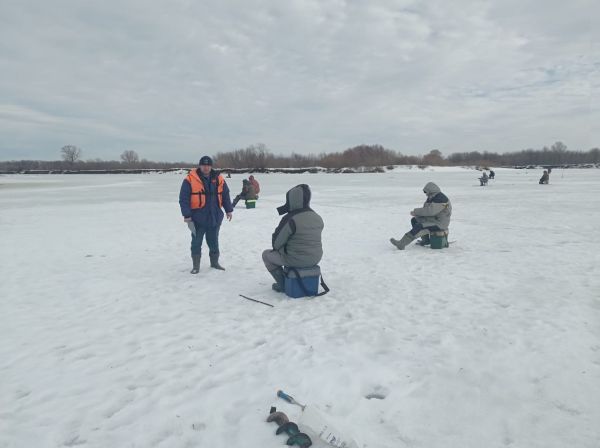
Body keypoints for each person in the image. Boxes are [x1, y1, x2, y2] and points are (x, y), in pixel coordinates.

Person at [262, 184, 324, 292]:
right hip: (315, 258)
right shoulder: (317, 217)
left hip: (295, 259)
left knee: (266, 255)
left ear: (292, 200)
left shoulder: (291, 218)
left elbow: (276, 244)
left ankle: (283, 285)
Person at [179, 156, 233, 273]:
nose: (206, 167)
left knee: (213, 241)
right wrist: (187, 215)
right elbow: (183, 199)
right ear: (200, 166)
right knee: (196, 242)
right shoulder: (189, 179)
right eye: (204, 165)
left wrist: (229, 209)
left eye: (208, 165)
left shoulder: (219, 178)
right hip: (197, 218)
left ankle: (214, 263)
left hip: (214, 217)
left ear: (211, 166)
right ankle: (196, 266)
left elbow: (225, 195)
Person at [390, 182, 452, 250]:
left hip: (440, 223)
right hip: (433, 219)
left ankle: (401, 244)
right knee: (414, 220)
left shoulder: (441, 198)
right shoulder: (432, 197)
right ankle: (426, 240)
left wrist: (416, 211)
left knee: (420, 226)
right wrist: (417, 214)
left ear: (431, 190)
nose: (425, 193)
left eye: (426, 191)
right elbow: (426, 208)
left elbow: (430, 211)